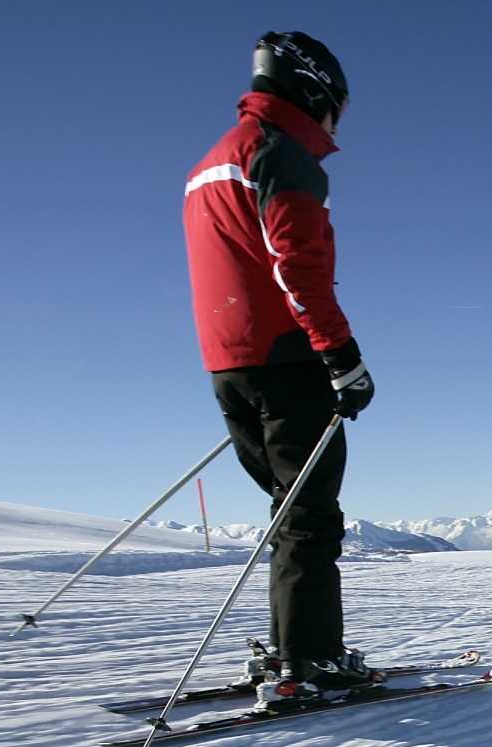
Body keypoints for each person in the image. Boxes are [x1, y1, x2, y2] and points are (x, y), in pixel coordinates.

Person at [183, 31, 376, 707]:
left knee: (287, 508)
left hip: (226, 363)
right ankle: (312, 659)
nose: (334, 125)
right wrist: (340, 355)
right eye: (335, 108)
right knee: (311, 514)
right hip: (286, 356)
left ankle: (291, 649)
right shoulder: (281, 155)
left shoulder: (211, 164)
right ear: (313, 91)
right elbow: (296, 266)